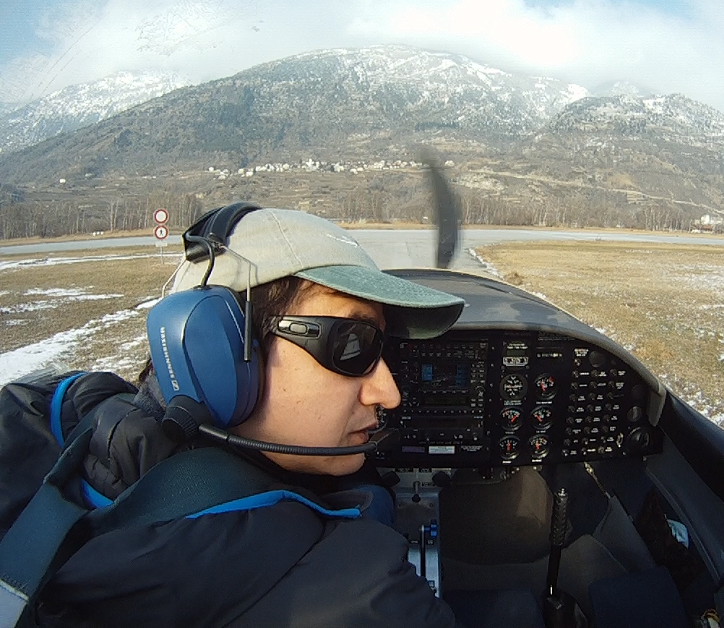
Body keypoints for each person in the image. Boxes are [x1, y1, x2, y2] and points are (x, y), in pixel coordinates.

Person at [31, 205, 466, 627]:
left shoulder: (47, 417)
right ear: (215, 353)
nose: (388, 393)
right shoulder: (366, 592)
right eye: (353, 344)